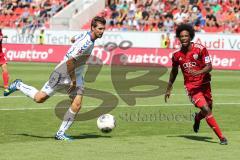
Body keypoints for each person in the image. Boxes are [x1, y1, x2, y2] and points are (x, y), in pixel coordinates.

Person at [4, 16, 106, 141]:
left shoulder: (87, 35)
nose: (102, 31)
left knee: (77, 104)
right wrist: (73, 81)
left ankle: (60, 133)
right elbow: (69, 62)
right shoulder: (85, 43)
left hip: (77, 74)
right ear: (93, 28)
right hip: (62, 72)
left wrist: (75, 41)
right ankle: (19, 85)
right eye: (100, 29)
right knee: (39, 98)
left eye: (103, 29)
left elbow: (72, 39)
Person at [164, 24, 227, 145]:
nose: (184, 38)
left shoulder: (200, 49)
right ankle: (222, 138)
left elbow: (209, 66)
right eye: (181, 36)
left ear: (190, 36)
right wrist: (169, 86)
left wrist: (198, 72)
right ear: (178, 37)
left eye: (186, 36)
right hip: (192, 87)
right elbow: (174, 71)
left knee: (207, 110)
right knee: (206, 109)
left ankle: (197, 118)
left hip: (205, 84)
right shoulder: (176, 55)